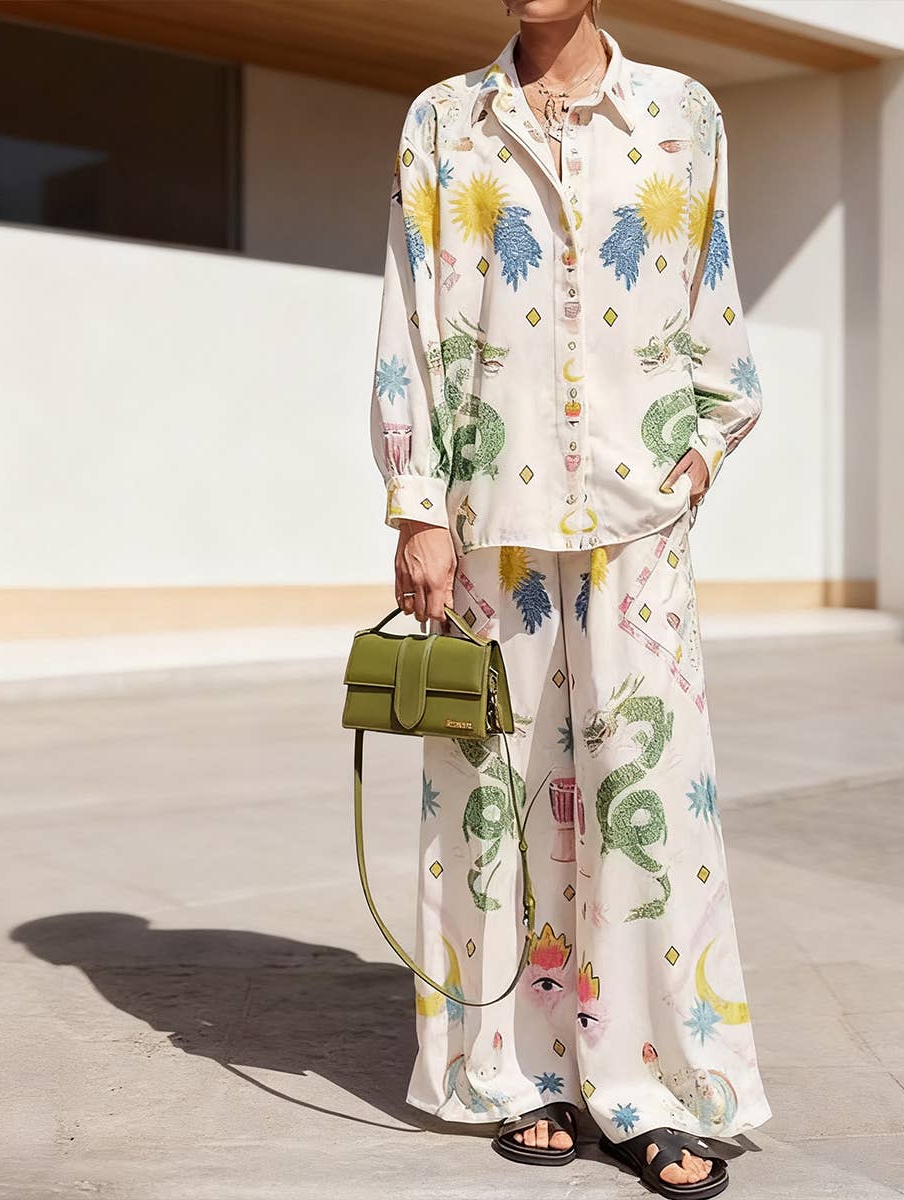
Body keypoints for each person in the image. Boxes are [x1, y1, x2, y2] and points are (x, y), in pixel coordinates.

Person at [369, 1, 770, 1194]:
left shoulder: (682, 114)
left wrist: (695, 459)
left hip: (637, 525)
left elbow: (712, 306)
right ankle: (522, 1073)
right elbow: (411, 318)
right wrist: (418, 503)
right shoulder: (444, 120)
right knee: (494, 806)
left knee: (649, 808)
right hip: (488, 524)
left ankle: (649, 1084)